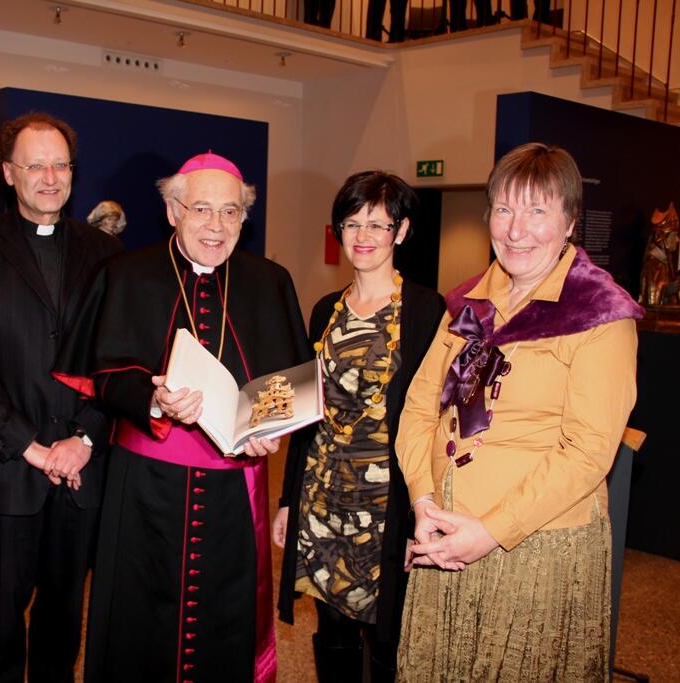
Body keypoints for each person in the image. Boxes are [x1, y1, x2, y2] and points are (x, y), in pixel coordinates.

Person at [53, 152, 309, 683]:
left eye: (231, 212)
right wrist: (153, 401)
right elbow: (99, 374)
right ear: (173, 211)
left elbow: (289, 383)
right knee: (138, 614)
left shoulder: (271, 281)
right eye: (202, 209)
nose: (217, 226)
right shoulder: (126, 274)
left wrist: (268, 430)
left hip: (233, 492)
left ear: (244, 217)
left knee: (226, 611)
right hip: (145, 484)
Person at [395, 143, 643, 681]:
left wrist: (491, 531)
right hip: (442, 536)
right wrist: (423, 499)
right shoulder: (469, 304)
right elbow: (419, 408)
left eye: (538, 211)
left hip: (534, 548)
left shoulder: (599, 315)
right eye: (504, 209)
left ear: (570, 221)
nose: (516, 230)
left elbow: (587, 451)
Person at [0, 112, 121, 683]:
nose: (50, 177)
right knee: (1, 620)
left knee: (66, 615)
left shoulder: (107, 252)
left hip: (82, 468)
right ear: (8, 173)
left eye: (61, 164)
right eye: (35, 164)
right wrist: (34, 448)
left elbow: (121, 363)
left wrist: (86, 437)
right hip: (5, 468)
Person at [273, 171, 445, 682]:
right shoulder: (326, 310)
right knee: (332, 631)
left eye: (377, 224)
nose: (363, 236)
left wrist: (428, 506)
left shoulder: (425, 310)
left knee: (388, 635)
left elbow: (434, 418)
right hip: (323, 499)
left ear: (403, 231)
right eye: (351, 224)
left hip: (386, 503)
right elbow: (308, 413)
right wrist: (288, 499)